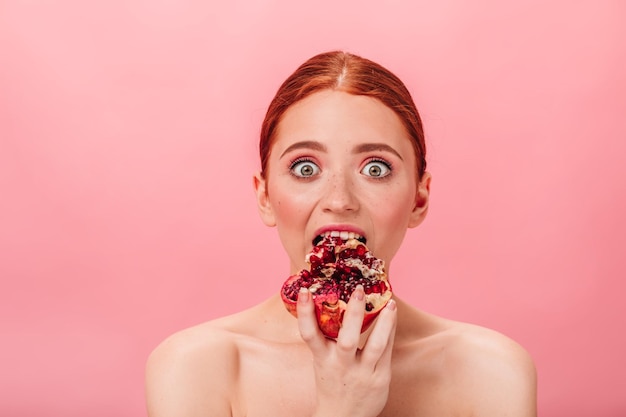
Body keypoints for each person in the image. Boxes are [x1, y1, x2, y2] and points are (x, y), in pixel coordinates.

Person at [145, 51, 537, 417]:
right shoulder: (196, 366)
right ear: (265, 196)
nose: (339, 200)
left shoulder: (490, 372)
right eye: (304, 168)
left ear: (419, 199)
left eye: (376, 169)